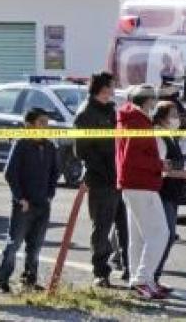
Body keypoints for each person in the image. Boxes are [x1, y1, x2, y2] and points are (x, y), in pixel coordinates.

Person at [0, 108, 59, 294]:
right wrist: (20, 198)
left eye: (47, 123)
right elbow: (10, 173)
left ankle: (29, 280)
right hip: (24, 204)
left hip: (43, 204)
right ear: (29, 125)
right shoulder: (21, 144)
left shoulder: (49, 146)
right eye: (41, 123)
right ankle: (2, 280)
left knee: (36, 245)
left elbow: (55, 173)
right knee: (14, 243)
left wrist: (50, 194)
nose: (45, 127)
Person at [74, 71, 128, 287]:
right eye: (108, 87)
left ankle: (129, 268)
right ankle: (101, 271)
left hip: (119, 177)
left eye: (112, 87)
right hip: (101, 179)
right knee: (103, 228)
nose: (111, 91)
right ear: (99, 88)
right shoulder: (86, 114)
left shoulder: (110, 110)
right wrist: (106, 171)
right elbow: (82, 151)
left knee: (124, 226)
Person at [116, 84, 170, 299]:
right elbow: (133, 157)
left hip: (132, 183)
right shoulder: (139, 121)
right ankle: (143, 278)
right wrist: (159, 164)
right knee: (159, 233)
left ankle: (139, 280)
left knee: (138, 236)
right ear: (149, 101)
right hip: (141, 183)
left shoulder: (127, 118)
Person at [151, 101, 186, 285]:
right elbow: (161, 168)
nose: (177, 118)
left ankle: (154, 276)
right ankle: (151, 275)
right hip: (163, 192)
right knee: (165, 235)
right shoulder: (159, 135)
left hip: (173, 191)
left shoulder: (171, 136)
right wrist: (184, 174)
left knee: (168, 236)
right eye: (173, 114)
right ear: (162, 117)